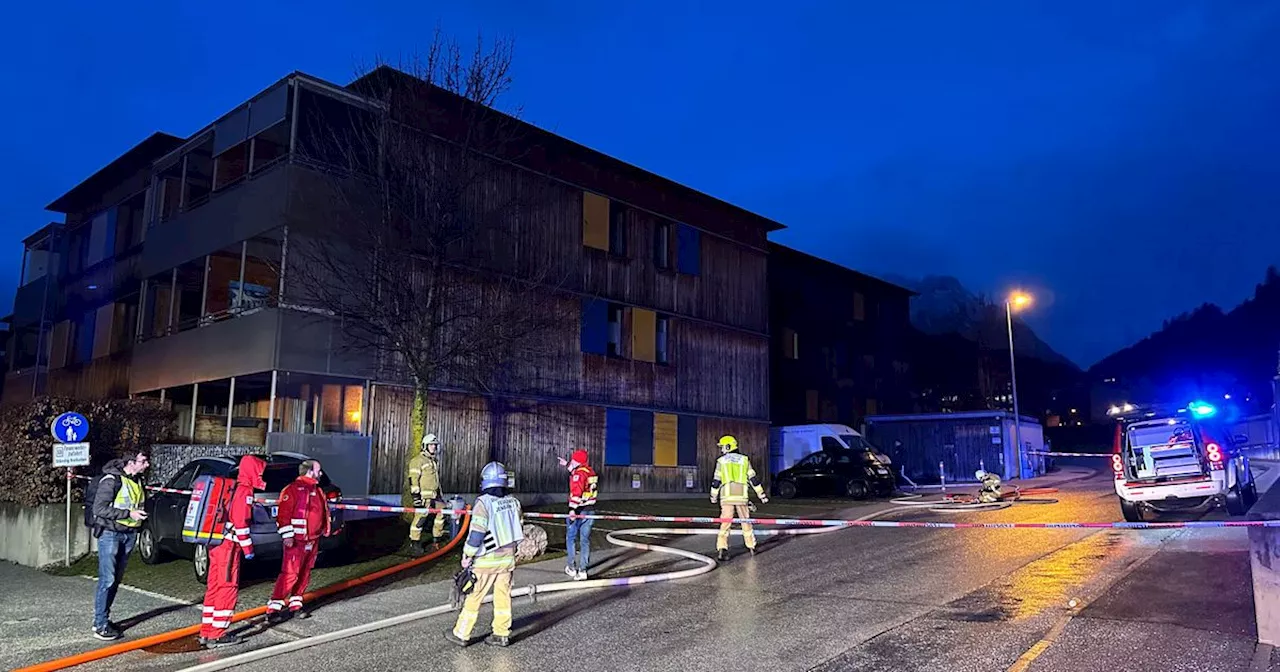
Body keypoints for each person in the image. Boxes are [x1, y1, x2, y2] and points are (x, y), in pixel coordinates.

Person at [445, 461, 524, 648]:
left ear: (485, 481)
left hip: (486, 560)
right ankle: (501, 633)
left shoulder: (483, 503)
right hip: (508, 560)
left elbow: (477, 534)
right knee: (503, 596)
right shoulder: (514, 502)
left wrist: (467, 556)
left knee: (474, 596)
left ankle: (461, 633)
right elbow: (518, 526)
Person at [198, 455, 267, 648]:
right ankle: (218, 634)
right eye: (259, 471)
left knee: (214, 586)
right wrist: (248, 548)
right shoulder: (244, 491)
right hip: (229, 547)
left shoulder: (233, 487)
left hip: (217, 543)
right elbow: (240, 522)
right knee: (228, 587)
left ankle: (207, 631)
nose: (262, 475)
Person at [90, 450, 150, 640]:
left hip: (129, 534)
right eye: (143, 461)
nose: (147, 464)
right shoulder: (111, 480)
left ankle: (104, 619)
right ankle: (100, 624)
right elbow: (99, 509)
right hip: (110, 534)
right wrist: (128, 514)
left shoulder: (138, 480)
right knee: (107, 579)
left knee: (115, 580)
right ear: (131, 462)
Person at [266, 459, 332, 623]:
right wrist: (287, 535)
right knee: (290, 574)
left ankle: (296, 604)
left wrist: (325, 529)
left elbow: (323, 511)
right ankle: (274, 608)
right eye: (318, 470)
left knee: (304, 573)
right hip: (296, 540)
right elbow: (283, 514)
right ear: (310, 472)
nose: (321, 473)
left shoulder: (317, 490)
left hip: (312, 539)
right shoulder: (292, 490)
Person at [710, 435, 767, 561]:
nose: (721, 450)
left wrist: (713, 496)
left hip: (726, 497)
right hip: (742, 496)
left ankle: (722, 549)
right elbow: (753, 479)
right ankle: (751, 547)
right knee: (746, 522)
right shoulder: (744, 460)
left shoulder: (721, 461)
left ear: (728, 446)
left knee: (725, 523)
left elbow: (716, 481)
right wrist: (761, 495)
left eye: (722, 447)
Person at [557, 449, 597, 580]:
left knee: (571, 538)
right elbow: (582, 479)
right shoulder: (590, 472)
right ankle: (583, 570)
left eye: (573, 460)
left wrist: (572, 510)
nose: (572, 461)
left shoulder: (579, 474)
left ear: (578, 461)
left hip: (579, 510)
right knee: (585, 541)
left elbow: (577, 491)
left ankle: (571, 567)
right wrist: (567, 465)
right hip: (590, 510)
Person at [407, 433, 446, 555]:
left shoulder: (433, 461)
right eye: (431, 445)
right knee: (420, 519)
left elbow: (435, 480)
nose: (434, 447)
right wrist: (416, 498)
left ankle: (436, 540)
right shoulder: (417, 461)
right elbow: (413, 479)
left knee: (442, 512)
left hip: (435, 496)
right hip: (424, 498)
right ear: (425, 446)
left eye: (435, 445)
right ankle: (415, 544)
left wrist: (440, 495)